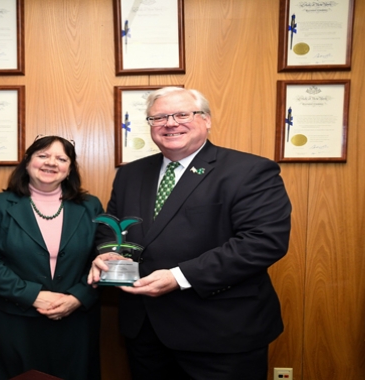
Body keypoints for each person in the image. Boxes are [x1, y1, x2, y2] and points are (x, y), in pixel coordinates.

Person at [88, 87, 292, 380]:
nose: (170, 123)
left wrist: (178, 277)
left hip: (220, 333)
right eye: (158, 117)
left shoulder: (249, 170)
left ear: (206, 119)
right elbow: (113, 231)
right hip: (145, 330)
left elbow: (262, 243)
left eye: (182, 114)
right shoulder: (130, 174)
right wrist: (108, 253)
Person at [0, 135, 103, 380]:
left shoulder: (90, 206)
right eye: (42, 155)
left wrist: (77, 297)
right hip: (12, 322)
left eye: (61, 158)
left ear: (70, 168)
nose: (51, 163)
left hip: (74, 320)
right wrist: (32, 295)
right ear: (27, 162)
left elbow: (104, 258)